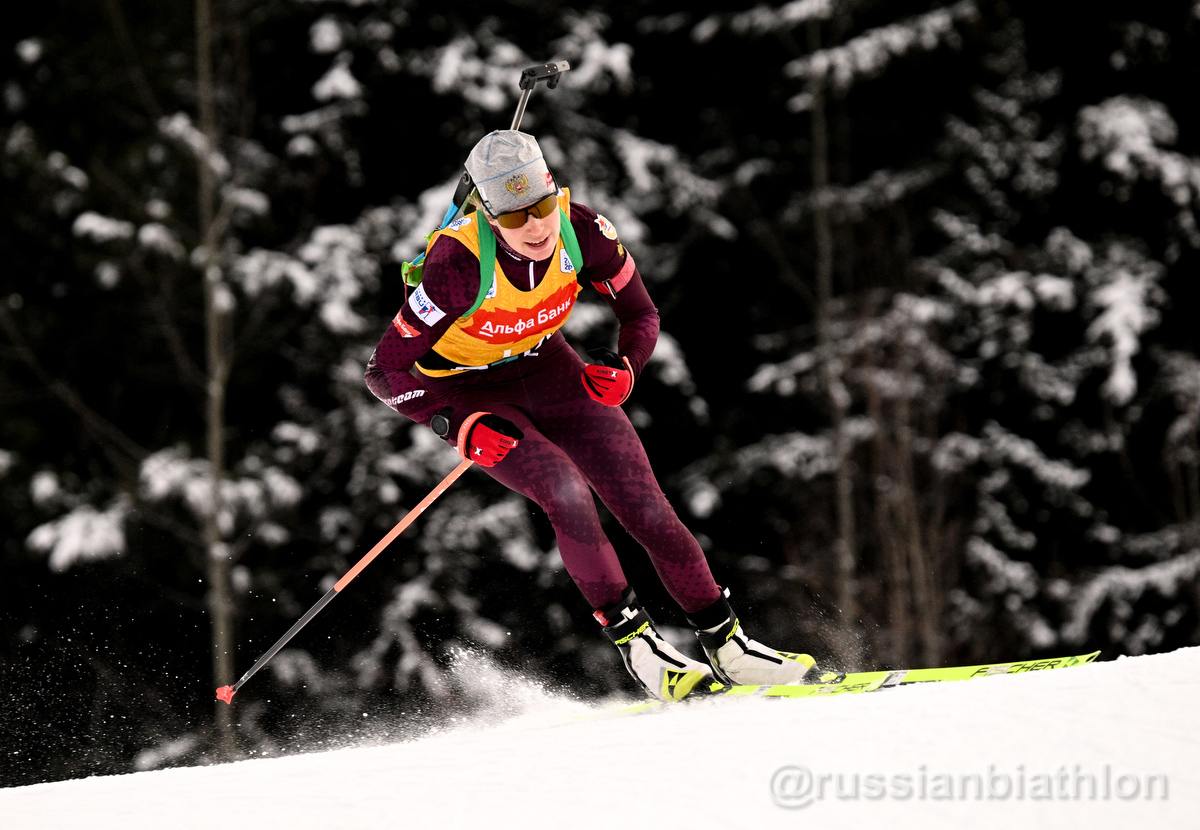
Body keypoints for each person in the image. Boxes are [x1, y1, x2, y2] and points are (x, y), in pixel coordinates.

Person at [365, 130, 814, 701]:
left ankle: (730, 646)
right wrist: (458, 426)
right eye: (515, 216)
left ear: (555, 191)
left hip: (547, 368)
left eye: (542, 206)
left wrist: (628, 367)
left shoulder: (583, 231)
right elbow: (384, 372)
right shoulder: (456, 264)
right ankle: (643, 652)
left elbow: (641, 312)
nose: (536, 227)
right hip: (468, 389)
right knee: (566, 492)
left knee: (645, 505)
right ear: (489, 215)